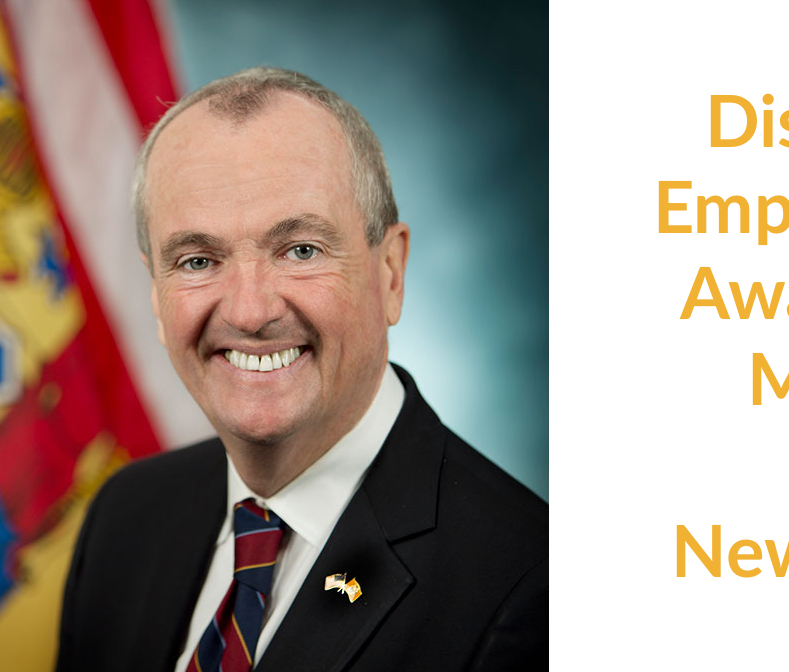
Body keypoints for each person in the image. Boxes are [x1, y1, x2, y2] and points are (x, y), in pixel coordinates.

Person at [54, 67, 548, 672]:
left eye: (300, 250)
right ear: (156, 297)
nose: (250, 311)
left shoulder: (530, 589)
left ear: (390, 273)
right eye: (198, 260)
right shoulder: (125, 517)